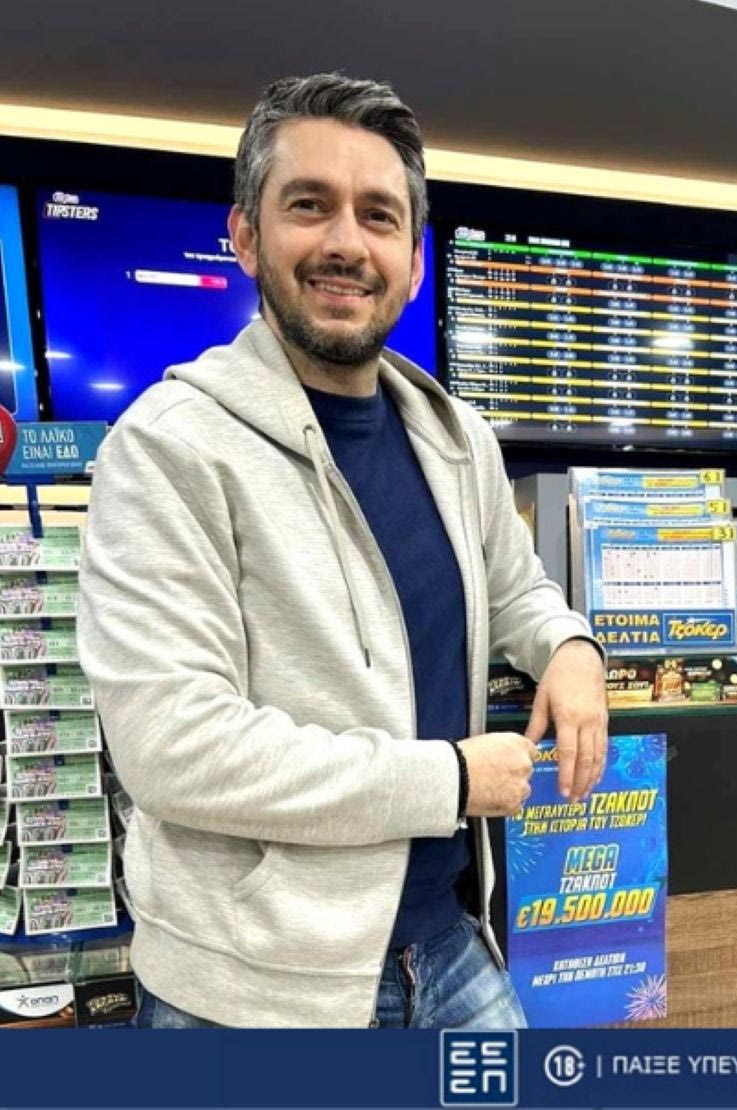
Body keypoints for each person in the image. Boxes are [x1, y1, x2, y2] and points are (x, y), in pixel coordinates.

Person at [76, 73, 608, 1029]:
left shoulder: (455, 438)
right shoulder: (167, 448)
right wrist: (448, 780)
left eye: (378, 216)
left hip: (450, 946)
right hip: (253, 990)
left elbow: (514, 585)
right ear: (246, 236)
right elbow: (173, 748)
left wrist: (569, 647)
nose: (346, 243)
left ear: (413, 259)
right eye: (309, 205)